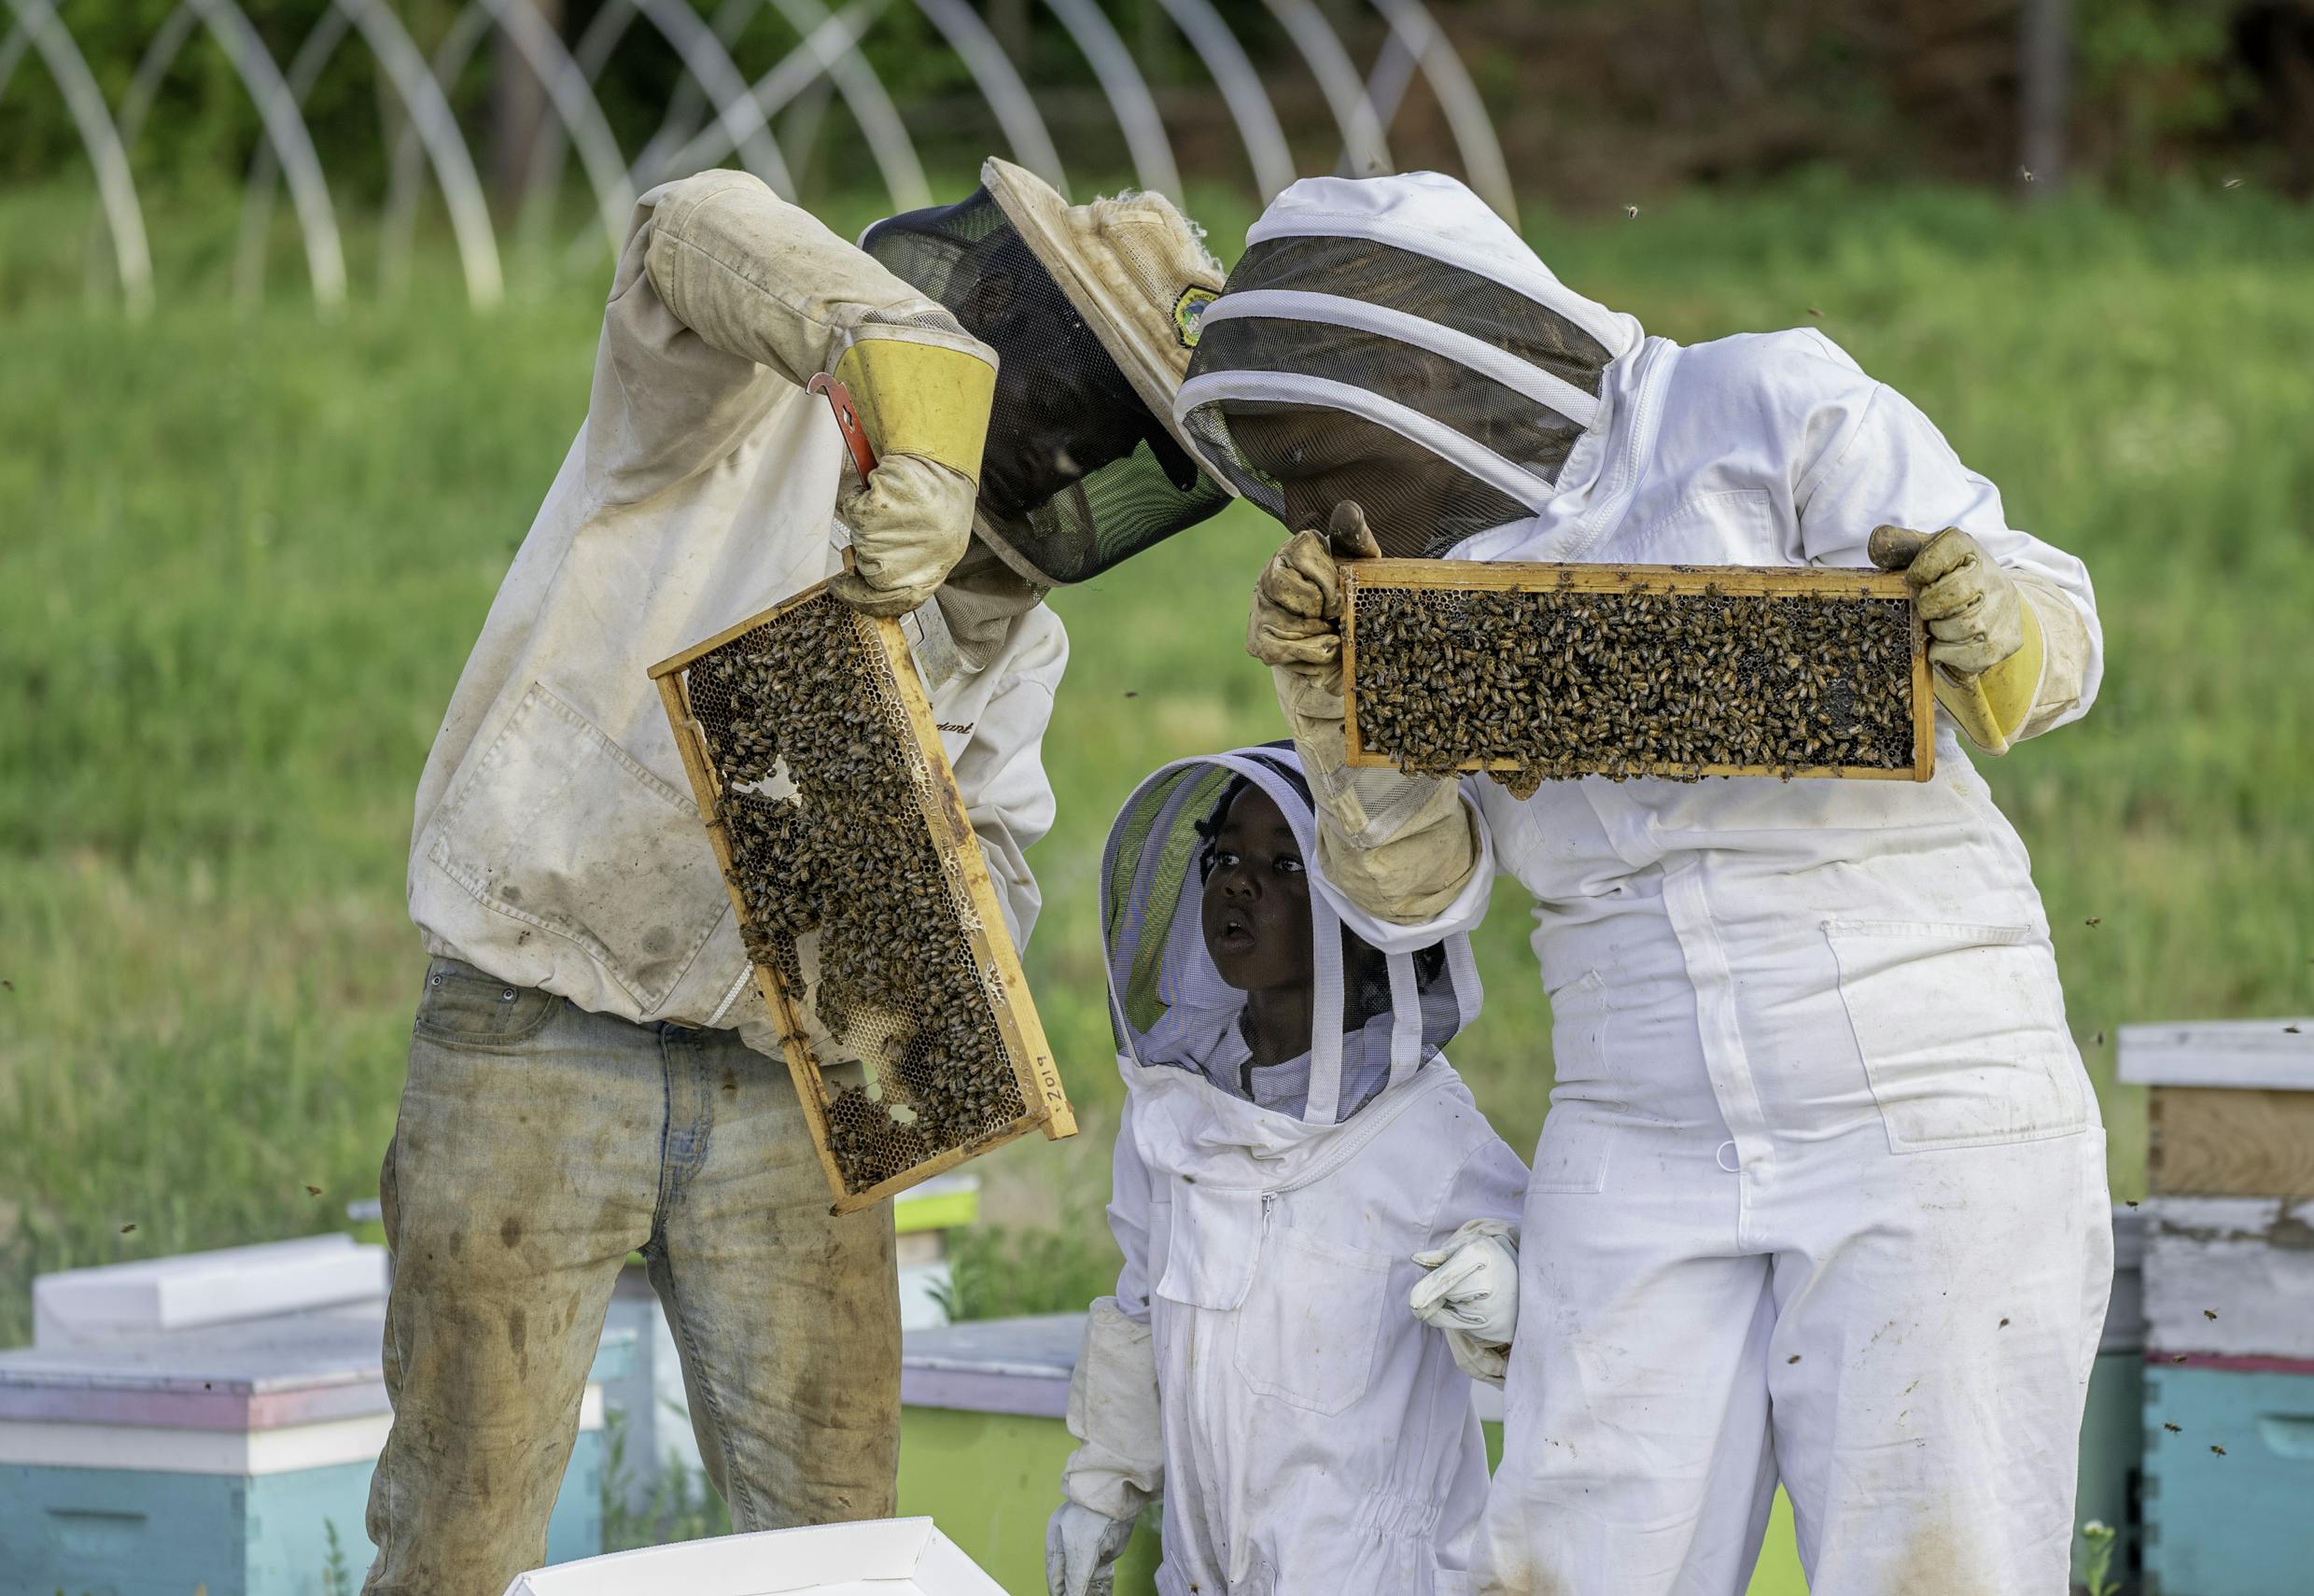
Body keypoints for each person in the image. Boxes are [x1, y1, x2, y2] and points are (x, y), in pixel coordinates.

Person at [1177, 173, 2112, 1595]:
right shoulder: (1411, 591)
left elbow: (2061, 637)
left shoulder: (1754, 407)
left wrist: (1989, 620)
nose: (1304, 510)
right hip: (1635, 1112)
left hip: (1918, 1069)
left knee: (1941, 1560)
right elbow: (1419, 901)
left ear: (1422, 378)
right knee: (1575, 1558)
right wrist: (1340, 723)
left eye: (1314, 462)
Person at [371, 161, 1233, 1593]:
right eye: (1078, 393)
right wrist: (923, 405)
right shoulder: (726, 414)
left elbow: (994, 883)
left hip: (791, 1100)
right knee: (458, 1536)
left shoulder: (1020, 644)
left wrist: (925, 936)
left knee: (842, 1547)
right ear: (1000, 308)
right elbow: (687, 220)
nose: (1076, 444)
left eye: (1112, 430)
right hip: (537, 1023)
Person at [1045, 745, 1528, 1596]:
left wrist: (1509, 1291)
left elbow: (1568, 1311)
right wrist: (1100, 1490)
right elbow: (1138, 1305)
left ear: (1360, 909)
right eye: (1226, 858)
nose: (1240, 883)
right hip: (1200, 1575)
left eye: (1286, 865)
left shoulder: (1427, 1134)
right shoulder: (1175, 1108)